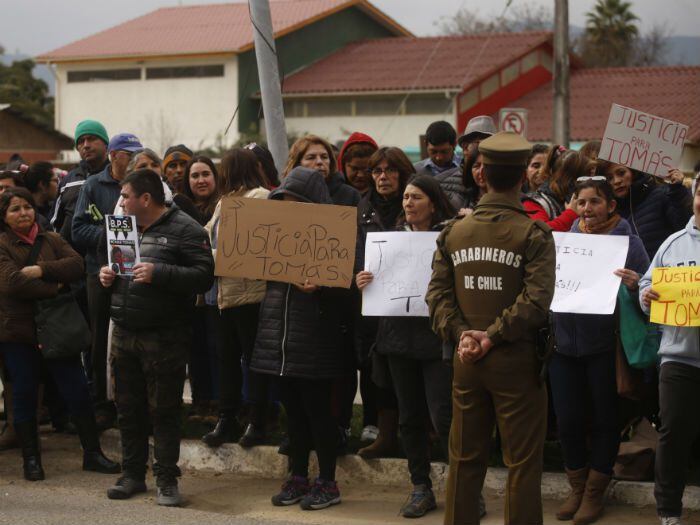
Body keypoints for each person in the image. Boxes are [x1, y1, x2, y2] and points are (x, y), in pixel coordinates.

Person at [427, 132, 556, 525]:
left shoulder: (454, 232)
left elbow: (436, 298)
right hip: (515, 362)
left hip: (466, 361)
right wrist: (493, 335)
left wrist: (464, 334)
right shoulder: (533, 233)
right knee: (521, 464)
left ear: (482, 175)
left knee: (464, 459)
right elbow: (536, 302)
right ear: (522, 177)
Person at [99, 169, 214, 506]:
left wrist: (160, 273)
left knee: (163, 410)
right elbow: (121, 269)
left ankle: (166, 479)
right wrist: (108, 275)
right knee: (127, 409)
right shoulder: (124, 226)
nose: (120, 202)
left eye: (125, 196)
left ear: (145, 199)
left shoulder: (186, 229)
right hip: (124, 331)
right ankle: (132, 474)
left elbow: (204, 276)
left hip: (165, 338)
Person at [0, 187, 119, 481]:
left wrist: (39, 270)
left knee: (77, 390)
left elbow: (76, 265)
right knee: (25, 394)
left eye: (27, 207)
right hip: (18, 332)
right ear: (4, 216)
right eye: (15, 209)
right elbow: (12, 283)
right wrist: (55, 286)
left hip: (59, 330)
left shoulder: (51, 238)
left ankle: (92, 453)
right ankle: (31, 460)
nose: (23, 213)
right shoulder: (2, 244)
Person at [550, 177, 649, 524]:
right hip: (563, 346)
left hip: (606, 347)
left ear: (610, 205)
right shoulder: (564, 242)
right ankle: (576, 487)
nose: (587, 209)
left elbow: (649, 294)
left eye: (595, 202)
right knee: (568, 420)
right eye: (581, 202)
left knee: (606, 419)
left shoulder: (629, 243)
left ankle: (594, 493)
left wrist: (635, 285)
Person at [356, 175, 455, 518]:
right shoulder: (391, 240)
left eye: (416, 197)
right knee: (409, 417)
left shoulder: (450, 237)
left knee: (444, 416)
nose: (409, 203)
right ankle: (420, 487)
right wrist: (363, 281)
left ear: (433, 201)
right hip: (398, 340)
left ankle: (465, 487)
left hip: (436, 340)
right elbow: (374, 282)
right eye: (407, 197)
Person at [250, 167, 349, 511]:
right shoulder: (275, 234)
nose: (288, 207)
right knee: (294, 414)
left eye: (296, 201)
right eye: (284, 201)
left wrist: (322, 287)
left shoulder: (336, 236)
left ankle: (328, 481)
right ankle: (298, 476)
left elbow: (350, 291)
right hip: (280, 340)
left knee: (319, 414)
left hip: (316, 341)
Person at [640, 174, 700, 525]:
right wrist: (645, 295)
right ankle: (668, 511)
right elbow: (649, 285)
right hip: (679, 356)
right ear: (694, 195)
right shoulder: (672, 244)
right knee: (674, 433)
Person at [73, 132, 143, 430]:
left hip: (137, 274)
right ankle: (101, 404)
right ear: (115, 156)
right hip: (99, 274)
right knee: (100, 339)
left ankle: (133, 401)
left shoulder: (145, 186)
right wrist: (113, 236)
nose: (136, 159)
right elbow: (77, 230)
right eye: (131, 154)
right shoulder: (93, 186)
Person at [201, 148, 270, 448]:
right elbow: (206, 236)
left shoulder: (260, 198)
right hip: (223, 295)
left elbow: (242, 249)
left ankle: (258, 420)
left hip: (250, 294)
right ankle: (227, 418)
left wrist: (205, 257)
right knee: (226, 359)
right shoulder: (223, 202)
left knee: (253, 361)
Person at [354, 146, 415, 459]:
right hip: (376, 309)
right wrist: (357, 277)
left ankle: (419, 435)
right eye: (377, 171)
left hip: (414, 309)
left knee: (413, 374)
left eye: (390, 171)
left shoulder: (417, 206)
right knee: (380, 373)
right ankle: (387, 435)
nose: (383, 177)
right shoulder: (362, 210)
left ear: (403, 174)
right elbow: (353, 256)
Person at [599, 160, 692, 259]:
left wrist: (678, 193)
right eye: (609, 178)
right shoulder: (607, 211)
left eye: (621, 173)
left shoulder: (661, 195)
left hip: (664, 271)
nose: (617, 181)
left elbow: (685, 228)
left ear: (633, 172)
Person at [51, 120, 110, 245]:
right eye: (81, 141)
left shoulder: (116, 177)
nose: (86, 145)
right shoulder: (68, 180)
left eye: (92, 139)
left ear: (106, 144)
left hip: (106, 256)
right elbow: (55, 221)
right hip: (70, 258)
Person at [285, 135, 361, 207]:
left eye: (324, 157)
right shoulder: (286, 194)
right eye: (311, 157)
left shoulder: (350, 195)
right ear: (297, 164)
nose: (319, 162)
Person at [523, 148, 588, 232]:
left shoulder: (578, 200)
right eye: (536, 166)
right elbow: (541, 233)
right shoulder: (533, 201)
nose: (541, 170)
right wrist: (570, 213)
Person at [337, 132, 378, 196]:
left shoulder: (386, 197)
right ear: (343, 165)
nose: (360, 175)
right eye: (354, 169)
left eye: (366, 169)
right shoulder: (331, 195)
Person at [24, 162, 59, 226]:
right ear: (43, 185)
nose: (58, 185)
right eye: (55, 181)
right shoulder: (26, 215)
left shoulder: (54, 208)